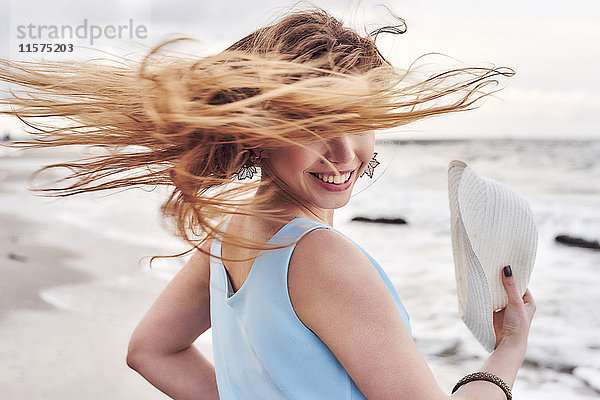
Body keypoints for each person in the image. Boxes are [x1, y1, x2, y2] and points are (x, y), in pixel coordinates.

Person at [0, 5, 535, 400]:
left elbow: (152, 351)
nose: (345, 152)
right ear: (260, 129)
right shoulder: (323, 259)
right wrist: (507, 352)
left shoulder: (233, 230)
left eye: (357, 121)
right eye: (313, 124)